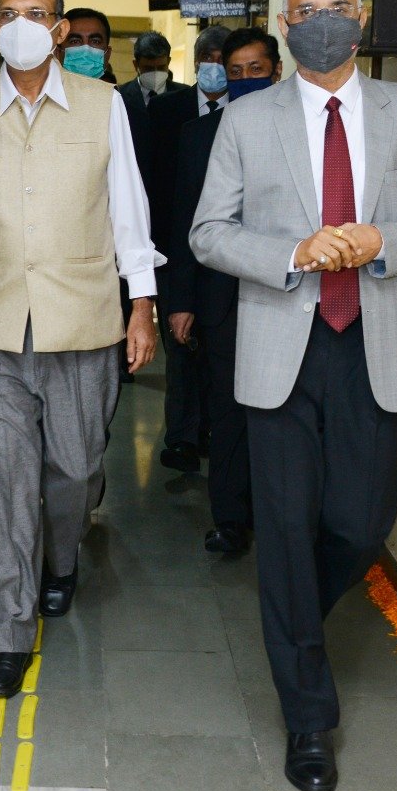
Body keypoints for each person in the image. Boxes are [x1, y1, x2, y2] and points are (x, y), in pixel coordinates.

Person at [190, 0, 397, 791]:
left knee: (361, 521)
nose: (322, 21)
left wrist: (382, 240)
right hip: (282, 343)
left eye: (337, 8)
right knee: (283, 529)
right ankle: (308, 716)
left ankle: (292, 617)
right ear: (285, 23)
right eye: (306, 10)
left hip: (375, 343)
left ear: (362, 16)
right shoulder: (246, 119)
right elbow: (209, 232)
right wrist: (291, 251)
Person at [0, 0, 161, 699]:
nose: (20, 24)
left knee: (76, 469)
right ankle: (8, 633)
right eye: (7, 13)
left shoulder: (102, 104)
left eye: (35, 13)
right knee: (7, 484)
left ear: (59, 30)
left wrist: (142, 303)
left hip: (83, 321)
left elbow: (128, 208)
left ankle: (64, 554)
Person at [169, 27, 282, 554]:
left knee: (281, 413)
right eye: (235, 72)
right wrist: (181, 301)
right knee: (228, 410)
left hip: (289, 293)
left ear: (277, 71)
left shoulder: (303, 129)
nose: (243, 79)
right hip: (221, 298)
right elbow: (185, 222)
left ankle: (278, 515)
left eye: (255, 70)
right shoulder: (199, 136)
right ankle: (230, 519)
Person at [146, 24, 231, 472]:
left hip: (227, 254)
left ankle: (214, 432)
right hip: (173, 247)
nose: (214, 66)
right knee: (180, 347)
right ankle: (181, 437)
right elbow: (152, 180)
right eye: (207, 58)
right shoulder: (168, 110)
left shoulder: (249, 112)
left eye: (222, 59)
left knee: (218, 350)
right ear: (196, 62)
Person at [115, 30, 184, 183]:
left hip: (173, 183)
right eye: (148, 68)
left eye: (161, 67)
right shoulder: (119, 97)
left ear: (169, 61)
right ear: (136, 64)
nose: (155, 73)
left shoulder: (185, 96)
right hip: (132, 180)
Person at [61, 6, 116, 82]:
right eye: (75, 41)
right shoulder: (45, 89)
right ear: (57, 52)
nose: (86, 50)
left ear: (107, 54)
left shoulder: (112, 90)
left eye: (95, 41)